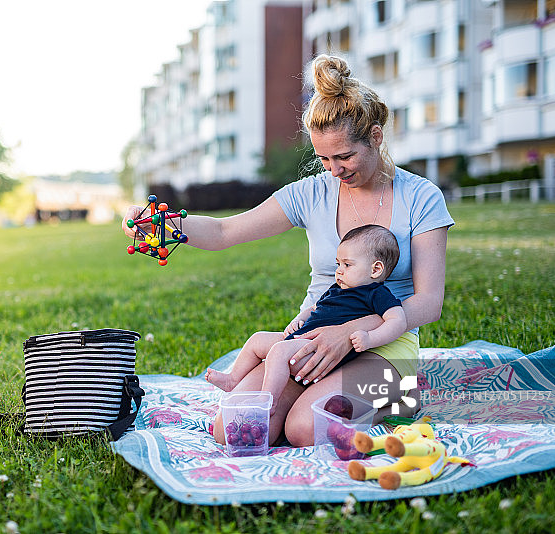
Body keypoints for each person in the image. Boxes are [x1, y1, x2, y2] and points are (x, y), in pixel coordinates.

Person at [122, 54, 454, 447]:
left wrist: (346, 334)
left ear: (376, 137)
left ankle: (399, 393)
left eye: (345, 156)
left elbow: (429, 303)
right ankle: (344, 396)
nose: (334, 170)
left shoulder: (421, 197)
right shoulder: (311, 193)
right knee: (234, 432)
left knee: (303, 429)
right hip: (312, 338)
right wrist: (157, 226)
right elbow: (225, 230)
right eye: (324, 158)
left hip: (383, 343)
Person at [205, 224, 407, 415]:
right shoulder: (337, 289)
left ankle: (268, 401)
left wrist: (370, 338)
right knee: (258, 339)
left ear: (375, 269)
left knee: (278, 352)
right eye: (338, 264)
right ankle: (233, 379)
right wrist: (299, 318)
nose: (339, 270)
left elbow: (397, 321)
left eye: (347, 264)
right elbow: (315, 308)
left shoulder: (376, 294)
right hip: (303, 341)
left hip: (319, 352)